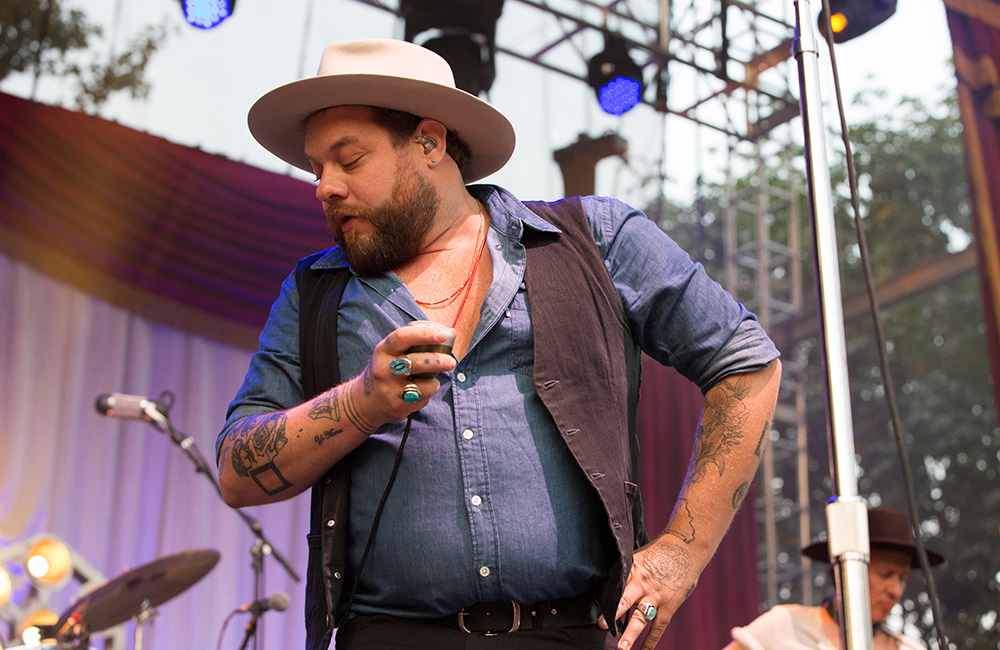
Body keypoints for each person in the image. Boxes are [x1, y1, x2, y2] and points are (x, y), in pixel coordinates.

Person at [215, 38, 782, 650]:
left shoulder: (598, 240)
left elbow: (746, 365)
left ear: (430, 143)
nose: (324, 186)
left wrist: (681, 552)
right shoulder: (314, 292)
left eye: (349, 160)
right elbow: (236, 473)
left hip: (569, 632)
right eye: (316, 167)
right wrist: (359, 405)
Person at [722, 506, 946, 650]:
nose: (896, 591)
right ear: (845, 571)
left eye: (902, 578)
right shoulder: (783, 624)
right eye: (886, 574)